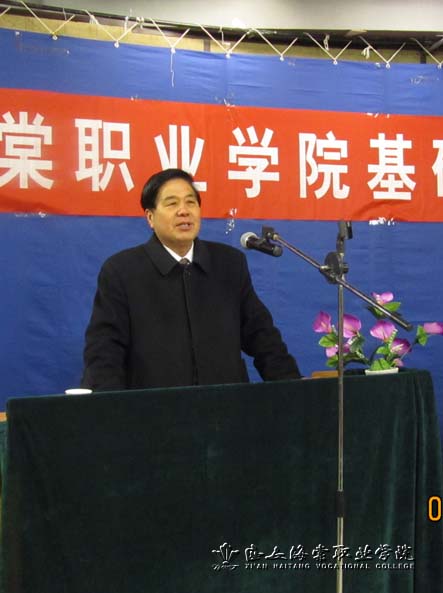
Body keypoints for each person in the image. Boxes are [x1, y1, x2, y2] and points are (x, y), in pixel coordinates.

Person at [81, 168, 301, 391]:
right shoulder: (122, 271)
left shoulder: (229, 264)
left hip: (226, 405)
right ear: (150, 217)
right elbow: (104, 353)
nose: (183, 211)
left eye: (190, 202)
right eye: (172, 204)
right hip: (152, 407)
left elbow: (263, 338)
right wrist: (113, 407)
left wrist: (295, 391)